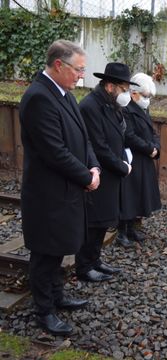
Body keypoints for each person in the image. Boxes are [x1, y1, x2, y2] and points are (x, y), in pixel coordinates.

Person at [19, 39, 100, 336]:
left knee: (58, 249)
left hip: (67, 188)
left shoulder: (64, 93)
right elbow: (54, 151)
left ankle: (58, 296)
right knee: (45, 253)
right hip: (47, 195)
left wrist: (94, 167)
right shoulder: (38, 98)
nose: (82, 75)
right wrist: (86, 177)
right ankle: (44, 311)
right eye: (78, 69)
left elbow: (83, 137)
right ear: (58, 65)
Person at [75, 62, 137, 282]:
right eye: (123, 88)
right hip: (99, 172)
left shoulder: (110, 104)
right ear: (110, 86)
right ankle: (84, 266)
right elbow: (98, 146)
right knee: (94, 222)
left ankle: (95, 260)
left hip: (111, 173)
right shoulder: (91, 106)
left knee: (103, 222)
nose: (126, 93)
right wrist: (121, 166)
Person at [117, 73, 161, 244]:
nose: (147, 100)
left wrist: (156, 147)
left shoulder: (143, 108)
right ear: (134, 93)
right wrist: (150, 148)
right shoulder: (126, 109)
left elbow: (152, 131)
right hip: (132, 157)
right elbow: (129, 135)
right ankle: (122, 232)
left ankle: (132, 229)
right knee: (128, 196)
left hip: (144, 158)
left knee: (139, 195)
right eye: (145, 96)